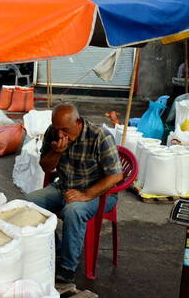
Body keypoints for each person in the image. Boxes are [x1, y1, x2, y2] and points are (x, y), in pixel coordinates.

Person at [24, 103, 123, 283]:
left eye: (64, 130)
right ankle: (57, 249)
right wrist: (56, 151)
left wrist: (86, 195)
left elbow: (115, 176)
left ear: (78, 122)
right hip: (64, 187)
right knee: (28, 204)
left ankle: (68, 266)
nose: (60, 134)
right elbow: (45, 167)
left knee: (73, 210)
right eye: (57, 129)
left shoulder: (100, 136)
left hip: (99, 194)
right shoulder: (53, 133)